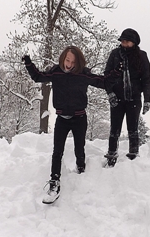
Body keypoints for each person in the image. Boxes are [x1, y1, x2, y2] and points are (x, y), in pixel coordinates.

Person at [23, 46, 113, 203]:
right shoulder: (56, 72)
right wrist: (29, 64)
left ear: (78, 62)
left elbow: (102, 82)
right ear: (63, 58)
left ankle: (81, 171)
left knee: (79, 148)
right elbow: (38, 77)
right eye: (67, 60)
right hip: (62, 120)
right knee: (57, 151)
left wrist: (115, 74)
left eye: (73, 62)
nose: (69, 64)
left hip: (80, 118)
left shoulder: (83, 74)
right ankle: (54, 183)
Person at [103, 28, 150, 166]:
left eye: (127, 41)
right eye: (122, 41)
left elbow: (146, 79)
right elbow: (106, 76)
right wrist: (110, 93)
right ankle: (111, 154)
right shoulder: (115, 54)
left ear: (134, 42)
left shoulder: (141, 56)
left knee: (133, 128)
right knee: (114, 128)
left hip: (134, 98)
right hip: (117, 97)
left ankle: (133, 156)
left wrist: (147, 99)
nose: (124, 43)